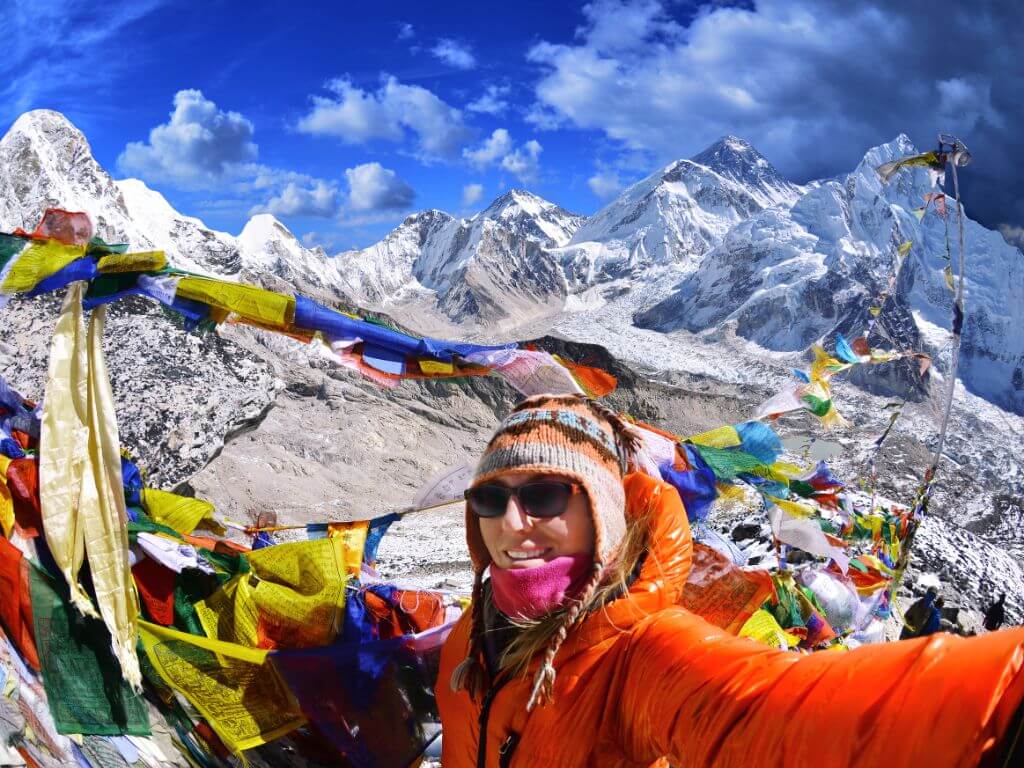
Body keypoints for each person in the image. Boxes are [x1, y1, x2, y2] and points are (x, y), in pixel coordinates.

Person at [436, 394, 1024, 767]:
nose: (513, 524)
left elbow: (769, 715)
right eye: (491, 499)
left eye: (544, 494)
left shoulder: (636, 653)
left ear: (603, 512)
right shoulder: (473, 633)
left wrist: (998, 705)